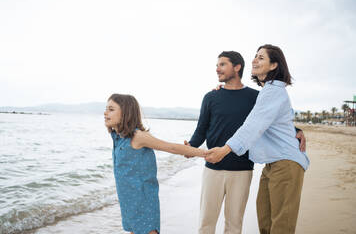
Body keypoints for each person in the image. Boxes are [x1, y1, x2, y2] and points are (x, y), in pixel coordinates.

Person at [186, 51, 306, 234]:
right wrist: (190, 148)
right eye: (217, 65)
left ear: (237, 67)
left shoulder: (256, 96)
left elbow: (266, 120)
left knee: (234, 225)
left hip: (242, 169)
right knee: (206, 223)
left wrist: (296, 131)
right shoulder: (211, 97)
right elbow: (201, 130)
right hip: (213, 168)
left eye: (222, 64)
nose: (217, 69)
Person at [104, 93, 206, 234]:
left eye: (111, 109)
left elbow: (171, 147)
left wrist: (204, 154)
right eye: (106, 109)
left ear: (125, 112)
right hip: (128, 200)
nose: (105, 113)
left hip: (143, 199)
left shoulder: (138, 137)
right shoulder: (118, 137)